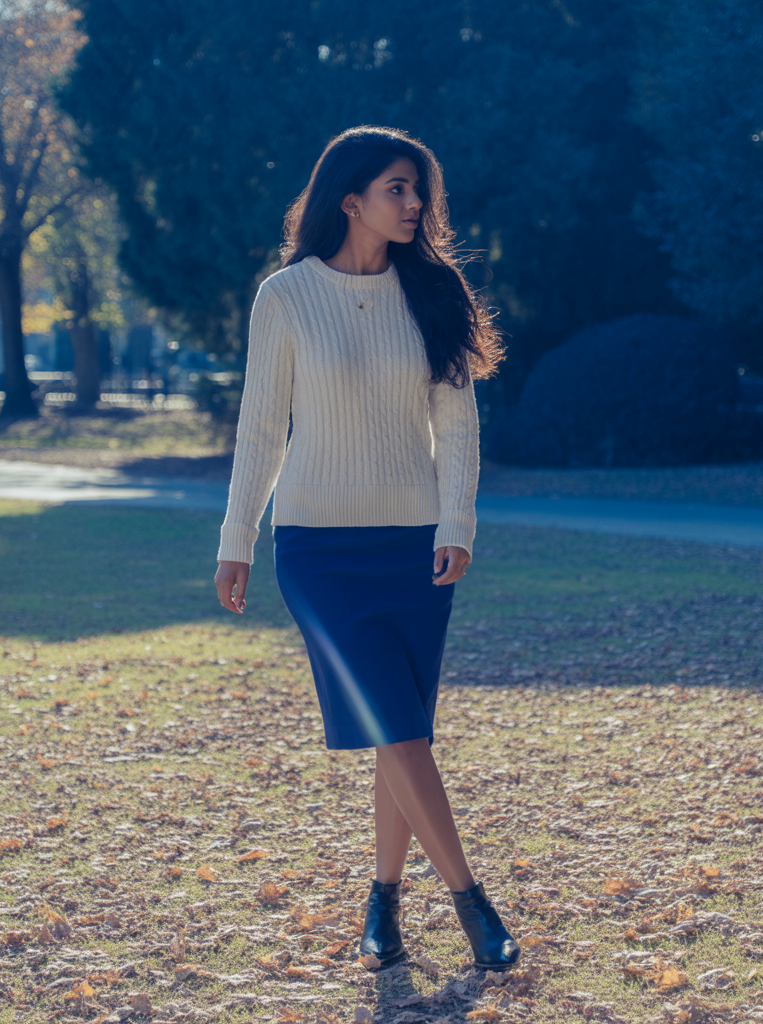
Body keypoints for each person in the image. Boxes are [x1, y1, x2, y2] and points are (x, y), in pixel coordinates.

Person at [214, 126, 520, 973]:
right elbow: (260, 427)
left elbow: (456, 423)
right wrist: (237, 537)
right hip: (316, 547)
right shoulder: (285, 297)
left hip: (414, 544)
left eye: (420, 191)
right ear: (350, 198)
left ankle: (383, 903)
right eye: (398, 188)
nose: (416, 204)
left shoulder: (433, 291)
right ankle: (471, 901)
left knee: (403, 730)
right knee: (398, 724)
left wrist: (456, 523)